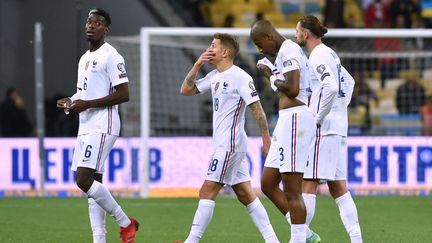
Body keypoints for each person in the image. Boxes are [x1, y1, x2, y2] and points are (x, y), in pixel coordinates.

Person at [178, 33, 279, 243]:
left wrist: (265, 138)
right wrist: (197, 64)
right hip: (226, 144)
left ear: (225, 52)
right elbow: (186, 90)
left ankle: (191, 241)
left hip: (230, 145)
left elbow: (257, 109)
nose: (209, 48)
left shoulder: (240, 77)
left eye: (213, 45)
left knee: (207, 190)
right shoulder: (215, 76)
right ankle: (272, 240)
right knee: (245, 194)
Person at [56, 8, 138, 243]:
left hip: (104, 125)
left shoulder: (111, 56)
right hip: (86, 125)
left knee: (83, 180)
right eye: (89, 22)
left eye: (98, 22)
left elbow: (124, 94)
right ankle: (99, 239)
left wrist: (87, 103)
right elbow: (83, 93)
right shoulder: (84, 58)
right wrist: (70, 102)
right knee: (94, 186)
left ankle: (125, 222)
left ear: (106, 29)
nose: (91, 25)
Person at [295, 15, 363, 243]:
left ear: (305, 34)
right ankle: (356, 239)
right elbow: (349, 82)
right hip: (338, 127)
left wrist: (318, 116)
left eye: (297, 30)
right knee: (338, 187)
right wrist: (339, 111)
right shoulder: (331, 53)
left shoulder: (317, 55)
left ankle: (300, 238)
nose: (295, 34)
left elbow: (331, 86)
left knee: (309, 181)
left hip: (323, 128)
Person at [250, 20, 317, 243]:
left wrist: (270, 73)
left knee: (292, 189)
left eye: (260, 44)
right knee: (268, 183)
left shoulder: (289, 50)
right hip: (287, 121)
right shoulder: (283, 54)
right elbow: (287, 84)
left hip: (297, 119)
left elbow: (293, 88)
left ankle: (298, 240)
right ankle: (306, 235)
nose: (260, 50)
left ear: (269, 37)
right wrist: (273, 71)